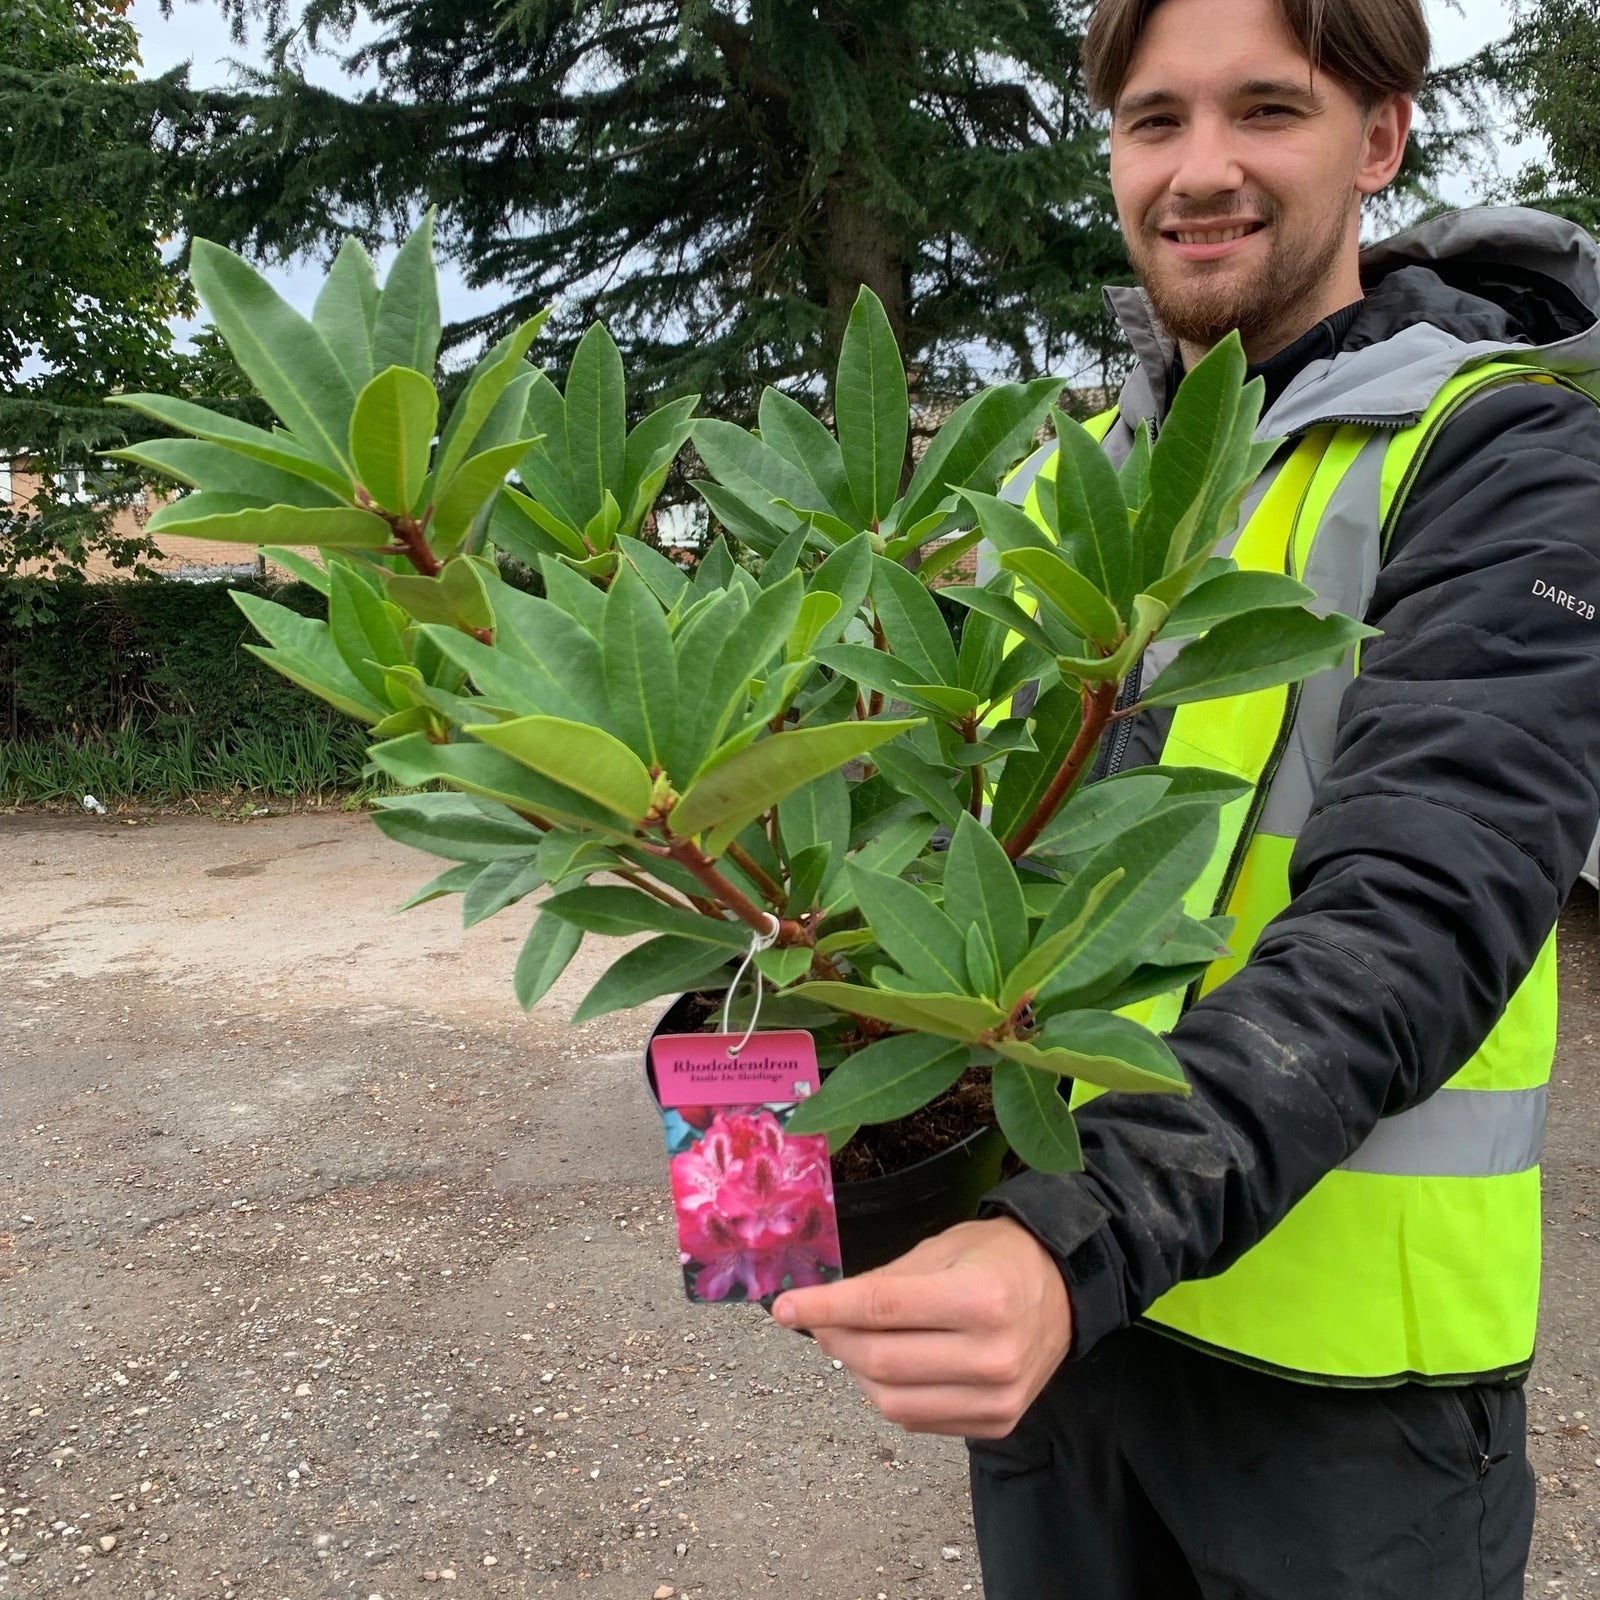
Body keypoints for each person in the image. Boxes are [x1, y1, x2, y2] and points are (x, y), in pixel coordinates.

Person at [770, 0, 1600, 1594]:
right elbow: (915, 844)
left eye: (1263, 111)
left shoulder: (1499, 456)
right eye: (1155, 120)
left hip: (1351, 1402)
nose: (1199, 169)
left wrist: (1067, 1243)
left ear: (1379, 140)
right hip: (1071, 1354)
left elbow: (1420, 912)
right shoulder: (1059, 479)